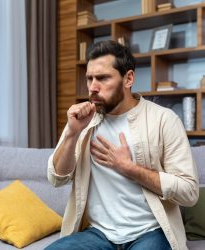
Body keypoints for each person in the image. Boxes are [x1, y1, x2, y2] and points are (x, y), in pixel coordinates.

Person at [46, 40, 199, 250]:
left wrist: (129, 168)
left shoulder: (164, 120)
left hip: (150, 232)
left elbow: (189, 192)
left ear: (128, 78)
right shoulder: (83, 122)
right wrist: (72, 133)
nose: (92, 87)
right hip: (99, 234)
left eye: (102, 78)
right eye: (89, 79)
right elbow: (56, 178)